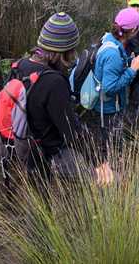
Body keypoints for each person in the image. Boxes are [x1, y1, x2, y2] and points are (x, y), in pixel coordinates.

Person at [88, 7, 139, 184]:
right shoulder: (112, 53)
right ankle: (109, 183)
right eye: (138, 27)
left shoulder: (109, 40)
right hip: (108, 111)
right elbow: (110, 87)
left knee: (105, 148)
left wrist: (129, 62)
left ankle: (107, 177)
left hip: (105, 108)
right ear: (132, 30)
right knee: (110, 150)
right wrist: (132, 69)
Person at [24, 12, 81, 186]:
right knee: (98, 181)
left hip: (19, 148)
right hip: (47, 156)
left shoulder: (20, 66)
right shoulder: (54, 82)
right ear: (66, 51)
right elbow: (71, 132)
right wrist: (99, 162)